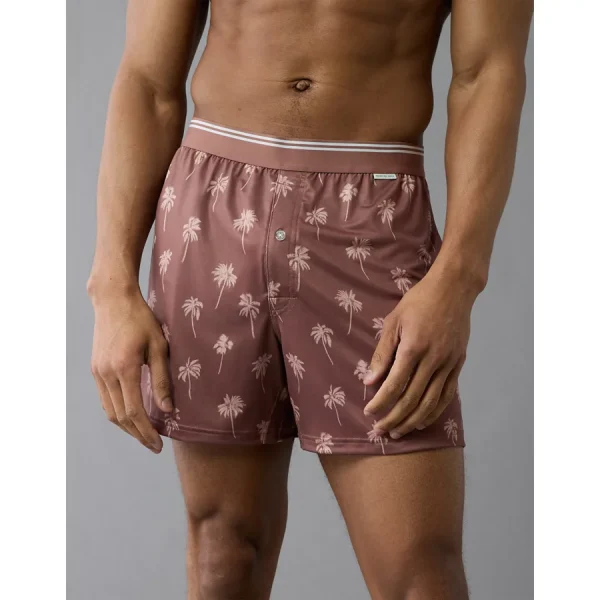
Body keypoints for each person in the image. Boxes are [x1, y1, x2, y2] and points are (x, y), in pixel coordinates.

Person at [87, 0, 532, 598]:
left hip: (372, 218)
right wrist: (111, 284)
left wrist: (458, 279)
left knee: (420, 574)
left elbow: (487, 73)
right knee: (224, 549)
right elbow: (147, 81)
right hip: (211, 212)